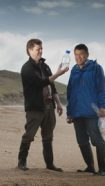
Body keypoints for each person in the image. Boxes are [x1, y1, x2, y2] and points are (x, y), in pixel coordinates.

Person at [17, 38, 69, 171]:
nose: (40, 51)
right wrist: (58, 74)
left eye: (41, 48)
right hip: (35, 107)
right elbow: (41, 83)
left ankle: (50, 165)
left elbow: (52, 85)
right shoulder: (26, 68)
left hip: (49, 107)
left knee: (48, 137)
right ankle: (21, 163)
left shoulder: (45, 66)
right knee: (29, 135)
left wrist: (58, 103)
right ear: (29, 50)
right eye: (37, 49)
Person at [66, 44, 105, 176]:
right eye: (76, 55)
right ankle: (90, 167)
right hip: (77, 113)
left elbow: (103, 89)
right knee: (82, 142)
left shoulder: (96, 68)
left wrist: (103, 106)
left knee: (97, 141)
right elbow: (70, 92)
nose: (79, 57)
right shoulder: (74, 70)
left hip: (92, 112)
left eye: (82, 54)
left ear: (87, 55)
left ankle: (103, 170)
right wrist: (69, 112)